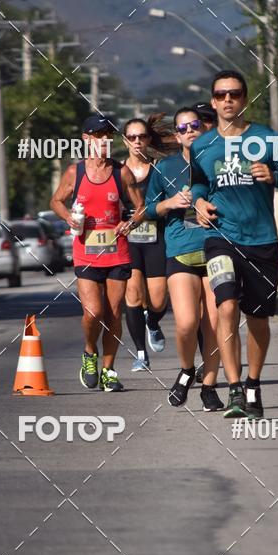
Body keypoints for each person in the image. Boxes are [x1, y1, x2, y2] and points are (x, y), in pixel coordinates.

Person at [191, 70, 278, 418]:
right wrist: (198, 203)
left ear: (245, 99)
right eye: (221, 94)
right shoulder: (202, 145)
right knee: (225, 306)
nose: (228, 100)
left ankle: (254, 383)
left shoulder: (266, 139)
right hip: (220, 236)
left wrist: (276, 176)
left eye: (235, 94)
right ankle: (235, 390)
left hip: (262, 240)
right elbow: (199, 183)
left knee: (257, 318)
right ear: (213, 102)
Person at [50, 114, 145, 392]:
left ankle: (109, 369)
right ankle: (89, 352)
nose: (103, 140)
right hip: (86, 251)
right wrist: (68, 217)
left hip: (117, 251)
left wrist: (130, 223)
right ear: (86, 139)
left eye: (107, 136)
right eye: (97, 135)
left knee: (115, 313)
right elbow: (55, 201)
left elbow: (141, 207)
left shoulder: (121, 172)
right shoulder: (74, 173)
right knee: (93, 312)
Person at [144, 107, 223, 411]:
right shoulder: (165, 168)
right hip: (180, 250)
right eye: (183, 128)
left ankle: (210, 386)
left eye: (195, 125)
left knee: (214, 323)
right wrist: (169, 202)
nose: (190, 130)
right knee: (187, 323)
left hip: (217, 248)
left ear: (203, 129)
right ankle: (188, 370)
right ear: (177, 136)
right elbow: (148, 211)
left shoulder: (219, 164)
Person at [122, 118, 168, 372]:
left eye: (142, 136)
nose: (137, 141)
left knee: (159, 300)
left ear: (149, 140)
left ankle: (152, 321)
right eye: (132, 137)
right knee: (133, 294)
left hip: (155, 238)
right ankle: (141, 353)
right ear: (125, 141)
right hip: (128, 241)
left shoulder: (159, 169)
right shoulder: (118, 170)